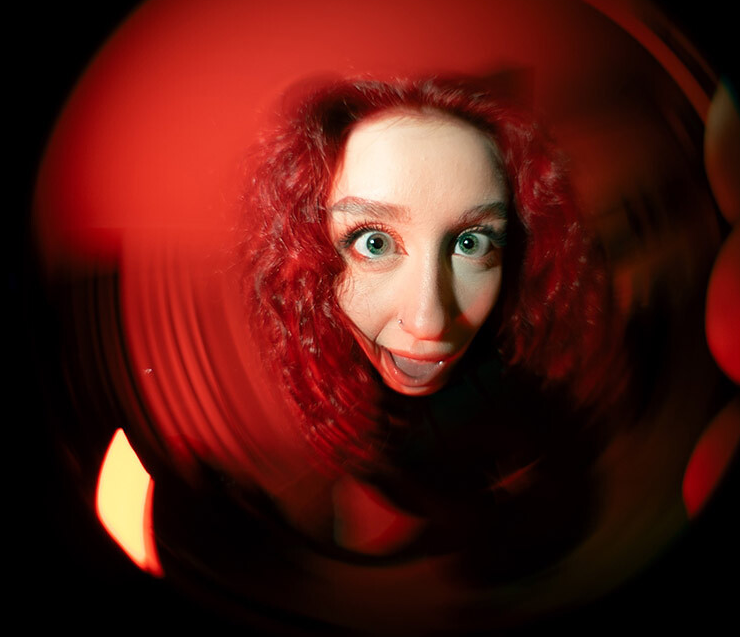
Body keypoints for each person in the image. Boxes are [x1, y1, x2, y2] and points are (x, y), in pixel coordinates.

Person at [239, 77, 624, 574]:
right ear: (308, 262)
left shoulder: (527, 380)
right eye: (374, 242)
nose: (430, 323)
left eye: (471, 242)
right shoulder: (352, 409)